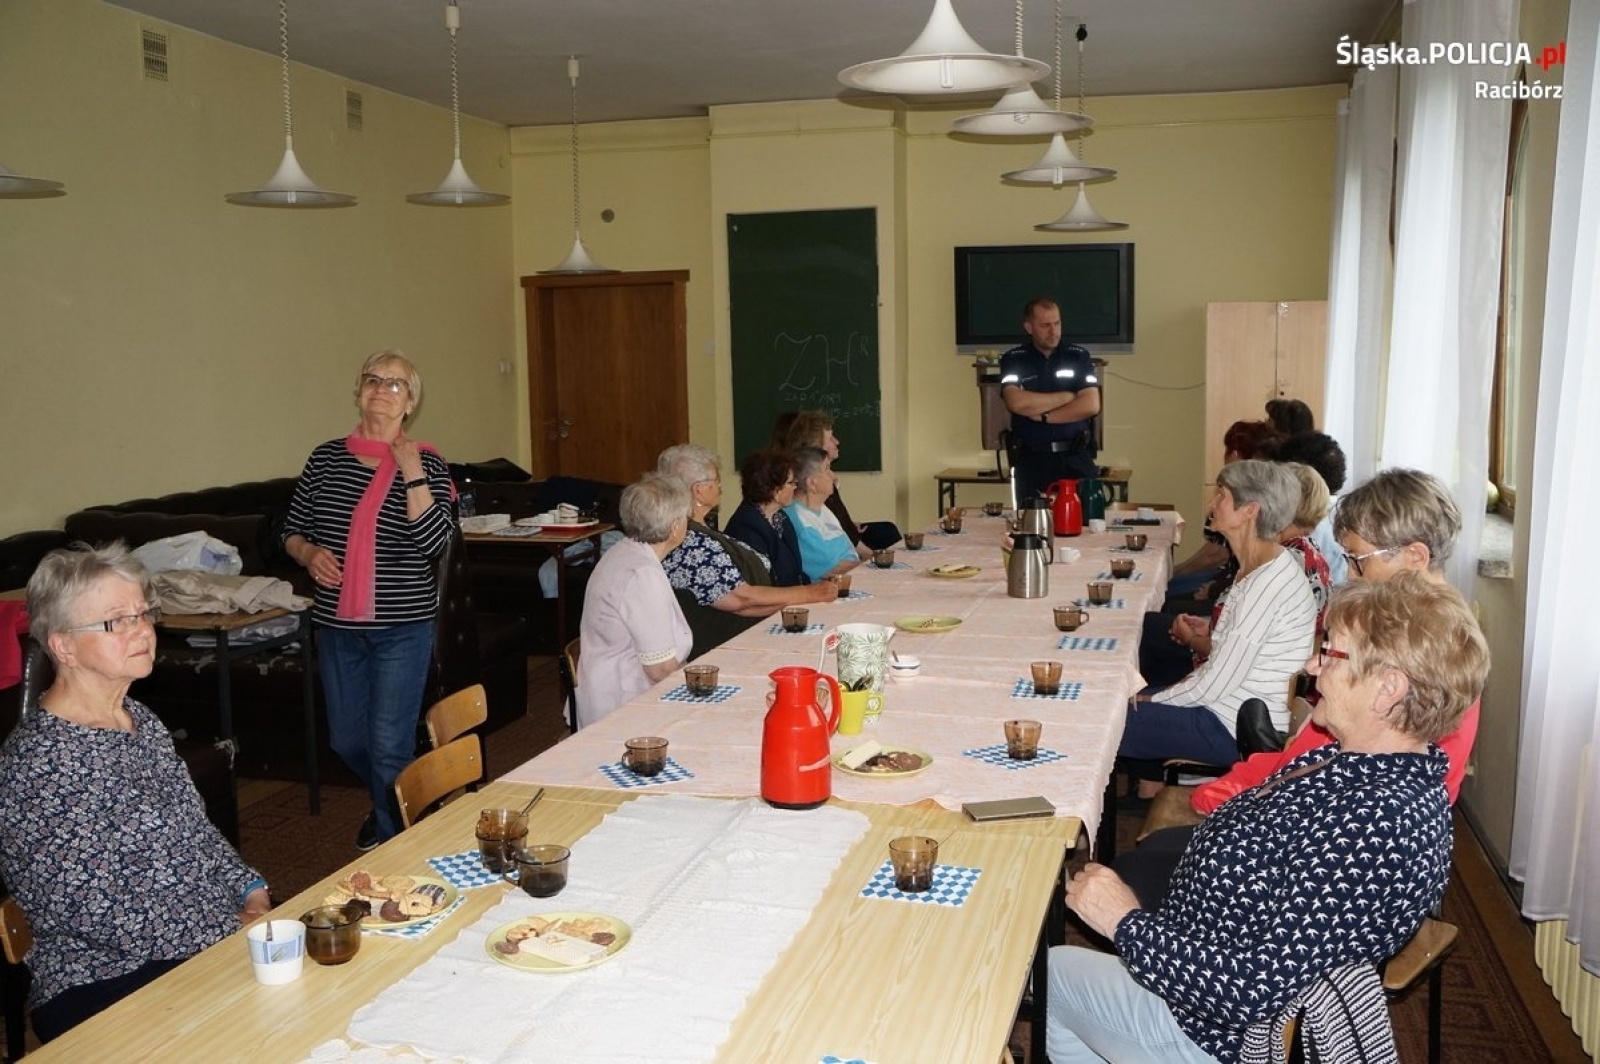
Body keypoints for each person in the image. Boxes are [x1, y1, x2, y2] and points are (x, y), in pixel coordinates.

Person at [1050, 575, 1490, 1063]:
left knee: (1050, 978)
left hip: (1214, 1030)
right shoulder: (1365, 763)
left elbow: (1253, 990)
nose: (1311, 665)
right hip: (1197, 966)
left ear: (1388, 688)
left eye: (1331, 654)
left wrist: (1123, 922)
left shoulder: (1377, 823)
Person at [1117, 468, 1478, 910]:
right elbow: (1321, 752)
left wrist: (1260, 802)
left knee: (1138, 872)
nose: (1349, 573)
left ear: (1416, 556)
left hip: (1333, 844)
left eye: (1359, 558)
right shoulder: (1398, 627)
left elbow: (1398, 798)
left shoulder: (1435, 652)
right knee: (1153, 858)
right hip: (1309, 803)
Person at [0, 545, 270, 1042]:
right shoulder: (42, 761)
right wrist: (225, 930)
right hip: (102, 977)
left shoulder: (138, 720)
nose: (142, 629)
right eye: (115, 621)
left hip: (199, 940)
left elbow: (195, 830)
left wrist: (249, 888)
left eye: (142, 613)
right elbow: (91, 908)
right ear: (62, 646)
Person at [281, 350, 455, 849]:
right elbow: (292, 531)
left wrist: (412, 473)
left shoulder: (426, 462)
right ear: (358, 390)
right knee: (348, 742)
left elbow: (435, 544)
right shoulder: (325, 458)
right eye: (373, 379)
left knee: (387, 745)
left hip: (403, 626)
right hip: (338, 625)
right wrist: (308, 552)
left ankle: (393, 841)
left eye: (395, 384)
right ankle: (404, 793)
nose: (381, 388)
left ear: (411, 403)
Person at [1119, 461, 1316, 780]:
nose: (1212, 504)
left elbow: (1215, 684)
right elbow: (1237, 654)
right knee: (1118, 702)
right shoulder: (1259, 567)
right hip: (1227, 709)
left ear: (1250, 510)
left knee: (1107, 720)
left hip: (1234, 727)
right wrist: (1213, 633)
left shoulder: (1266, 584)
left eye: (1222, 495)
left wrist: (1154, 697)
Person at [657, 445, 836, 618]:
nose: (720, 486)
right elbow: (742, 599)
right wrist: (809, 594)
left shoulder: (696, 532)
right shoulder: (691, 542)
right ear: (699, 490)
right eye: (715, 480)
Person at [575, 473, 695, 728]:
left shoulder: (624, 551)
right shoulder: (641, 574)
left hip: (615, 685)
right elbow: (659, 670)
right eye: (685, 516)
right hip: (625, 706)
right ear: (675, 527)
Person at [999, 298, 1103, 504]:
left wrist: (1044, 416)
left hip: (1075, 459)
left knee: (1083, 528)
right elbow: (1017, 403)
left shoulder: (1078, 356)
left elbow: (1091, 405)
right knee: (1032, 530)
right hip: (1032, 461)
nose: (1053, 331)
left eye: (1057, 323)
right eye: (1045, 325)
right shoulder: (1014, 359)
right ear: (1029, 327)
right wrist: (1068, 396)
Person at [771, 410, 901, 553]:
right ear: (816, 445)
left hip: (847, 538)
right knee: (887, 537)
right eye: (830, 438)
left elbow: (838, 522)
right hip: (842, 547)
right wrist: (873, 557)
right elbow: (841, 537)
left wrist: (849, 525)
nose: (837, 442)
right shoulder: (813, 484)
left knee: (887, 529)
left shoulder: (824, 479)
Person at [723, 449, 809, 587]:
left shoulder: (780, 518)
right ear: (773, 490)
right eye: (791, 482)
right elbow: (762, 583)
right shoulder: (746, 527)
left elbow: (795, 573)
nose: (795, 487)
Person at [783, 446, 863, 582]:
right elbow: (832, 570)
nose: (833, 476)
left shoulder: (822, 509)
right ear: (812, 483)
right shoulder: (799, 519)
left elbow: (849, 555)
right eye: (827, 469)